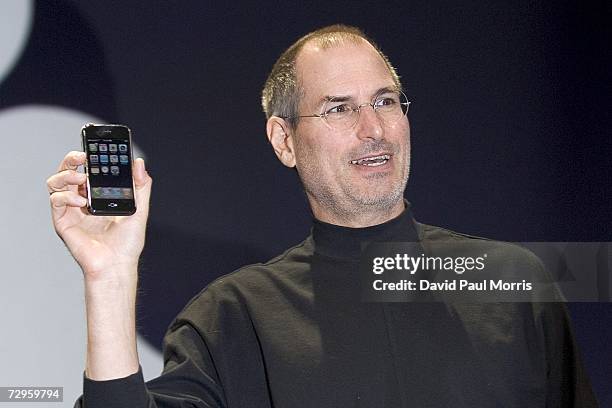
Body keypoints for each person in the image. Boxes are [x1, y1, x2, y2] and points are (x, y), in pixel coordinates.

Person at [47, 25, 598, 407]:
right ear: (283, 140)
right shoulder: (234, 318)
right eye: (339, 108)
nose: (374, 129)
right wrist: (110, 278)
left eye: (385, 101)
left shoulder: (511, 279)